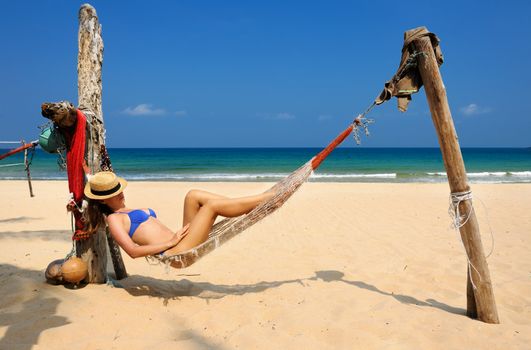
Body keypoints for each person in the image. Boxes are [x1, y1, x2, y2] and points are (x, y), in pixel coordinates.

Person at [83, 171, 274, 258]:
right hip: (177, 252)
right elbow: (132, 251)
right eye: (114, 192)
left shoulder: (123, 210)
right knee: (211, 207)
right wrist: (169, 243)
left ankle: (248, 206)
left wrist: (89, 175)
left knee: (193, 195)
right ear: (102, 200)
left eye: (117, 189)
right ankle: (267, 198)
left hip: (182, 237)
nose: (120, 192)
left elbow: (95, 184)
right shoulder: (114, 219)